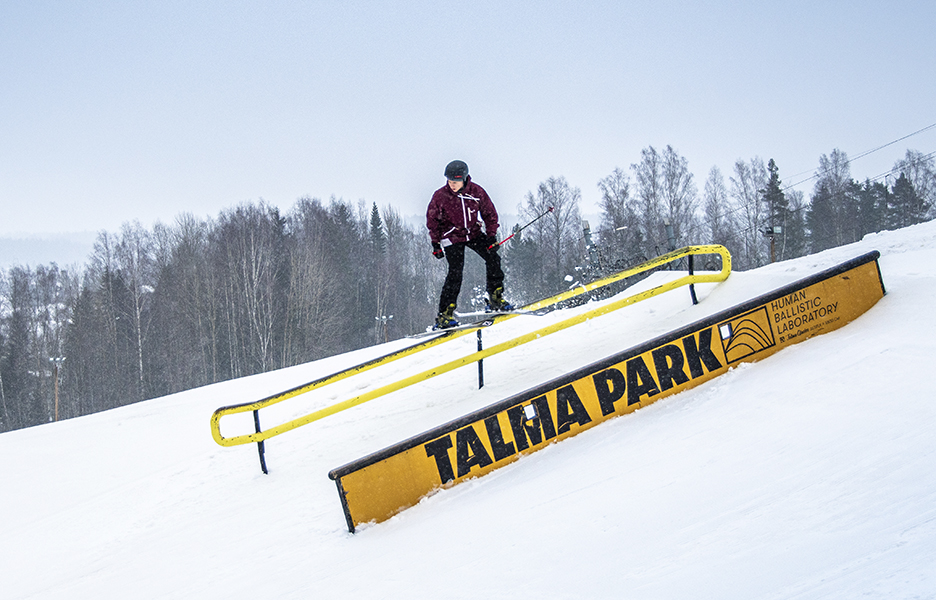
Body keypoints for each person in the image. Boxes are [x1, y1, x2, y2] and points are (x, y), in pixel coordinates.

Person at [426, 160, 513, 329]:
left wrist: (491, 237)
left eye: (456, 182)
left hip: (473, 233)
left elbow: (490, 214)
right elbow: (432, 220)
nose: (452, 185)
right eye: (450, 181)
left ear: (465, 179)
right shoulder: (440, 196)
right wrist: (435, 244)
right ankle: (445, 313)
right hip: (452, 236)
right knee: (455, 272)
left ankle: (495, 297)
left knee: (493, 257)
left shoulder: (476, 192)